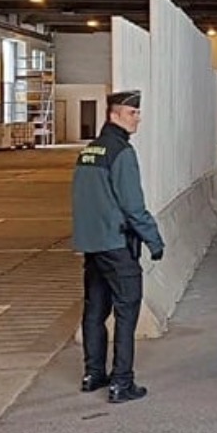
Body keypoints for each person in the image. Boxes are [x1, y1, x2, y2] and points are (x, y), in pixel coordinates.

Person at [70, 89, 164, 404]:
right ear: (114, 114)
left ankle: (93, 374)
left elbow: (83, 202)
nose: (137, 118)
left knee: (95, 310)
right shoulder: (121, 152)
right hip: (117, 244)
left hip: (92, 247)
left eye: (137, 113)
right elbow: (133, 205)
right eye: (132, 113)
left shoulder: (88, 151)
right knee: (127, 310)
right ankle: (122, 382)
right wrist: (154, 240)